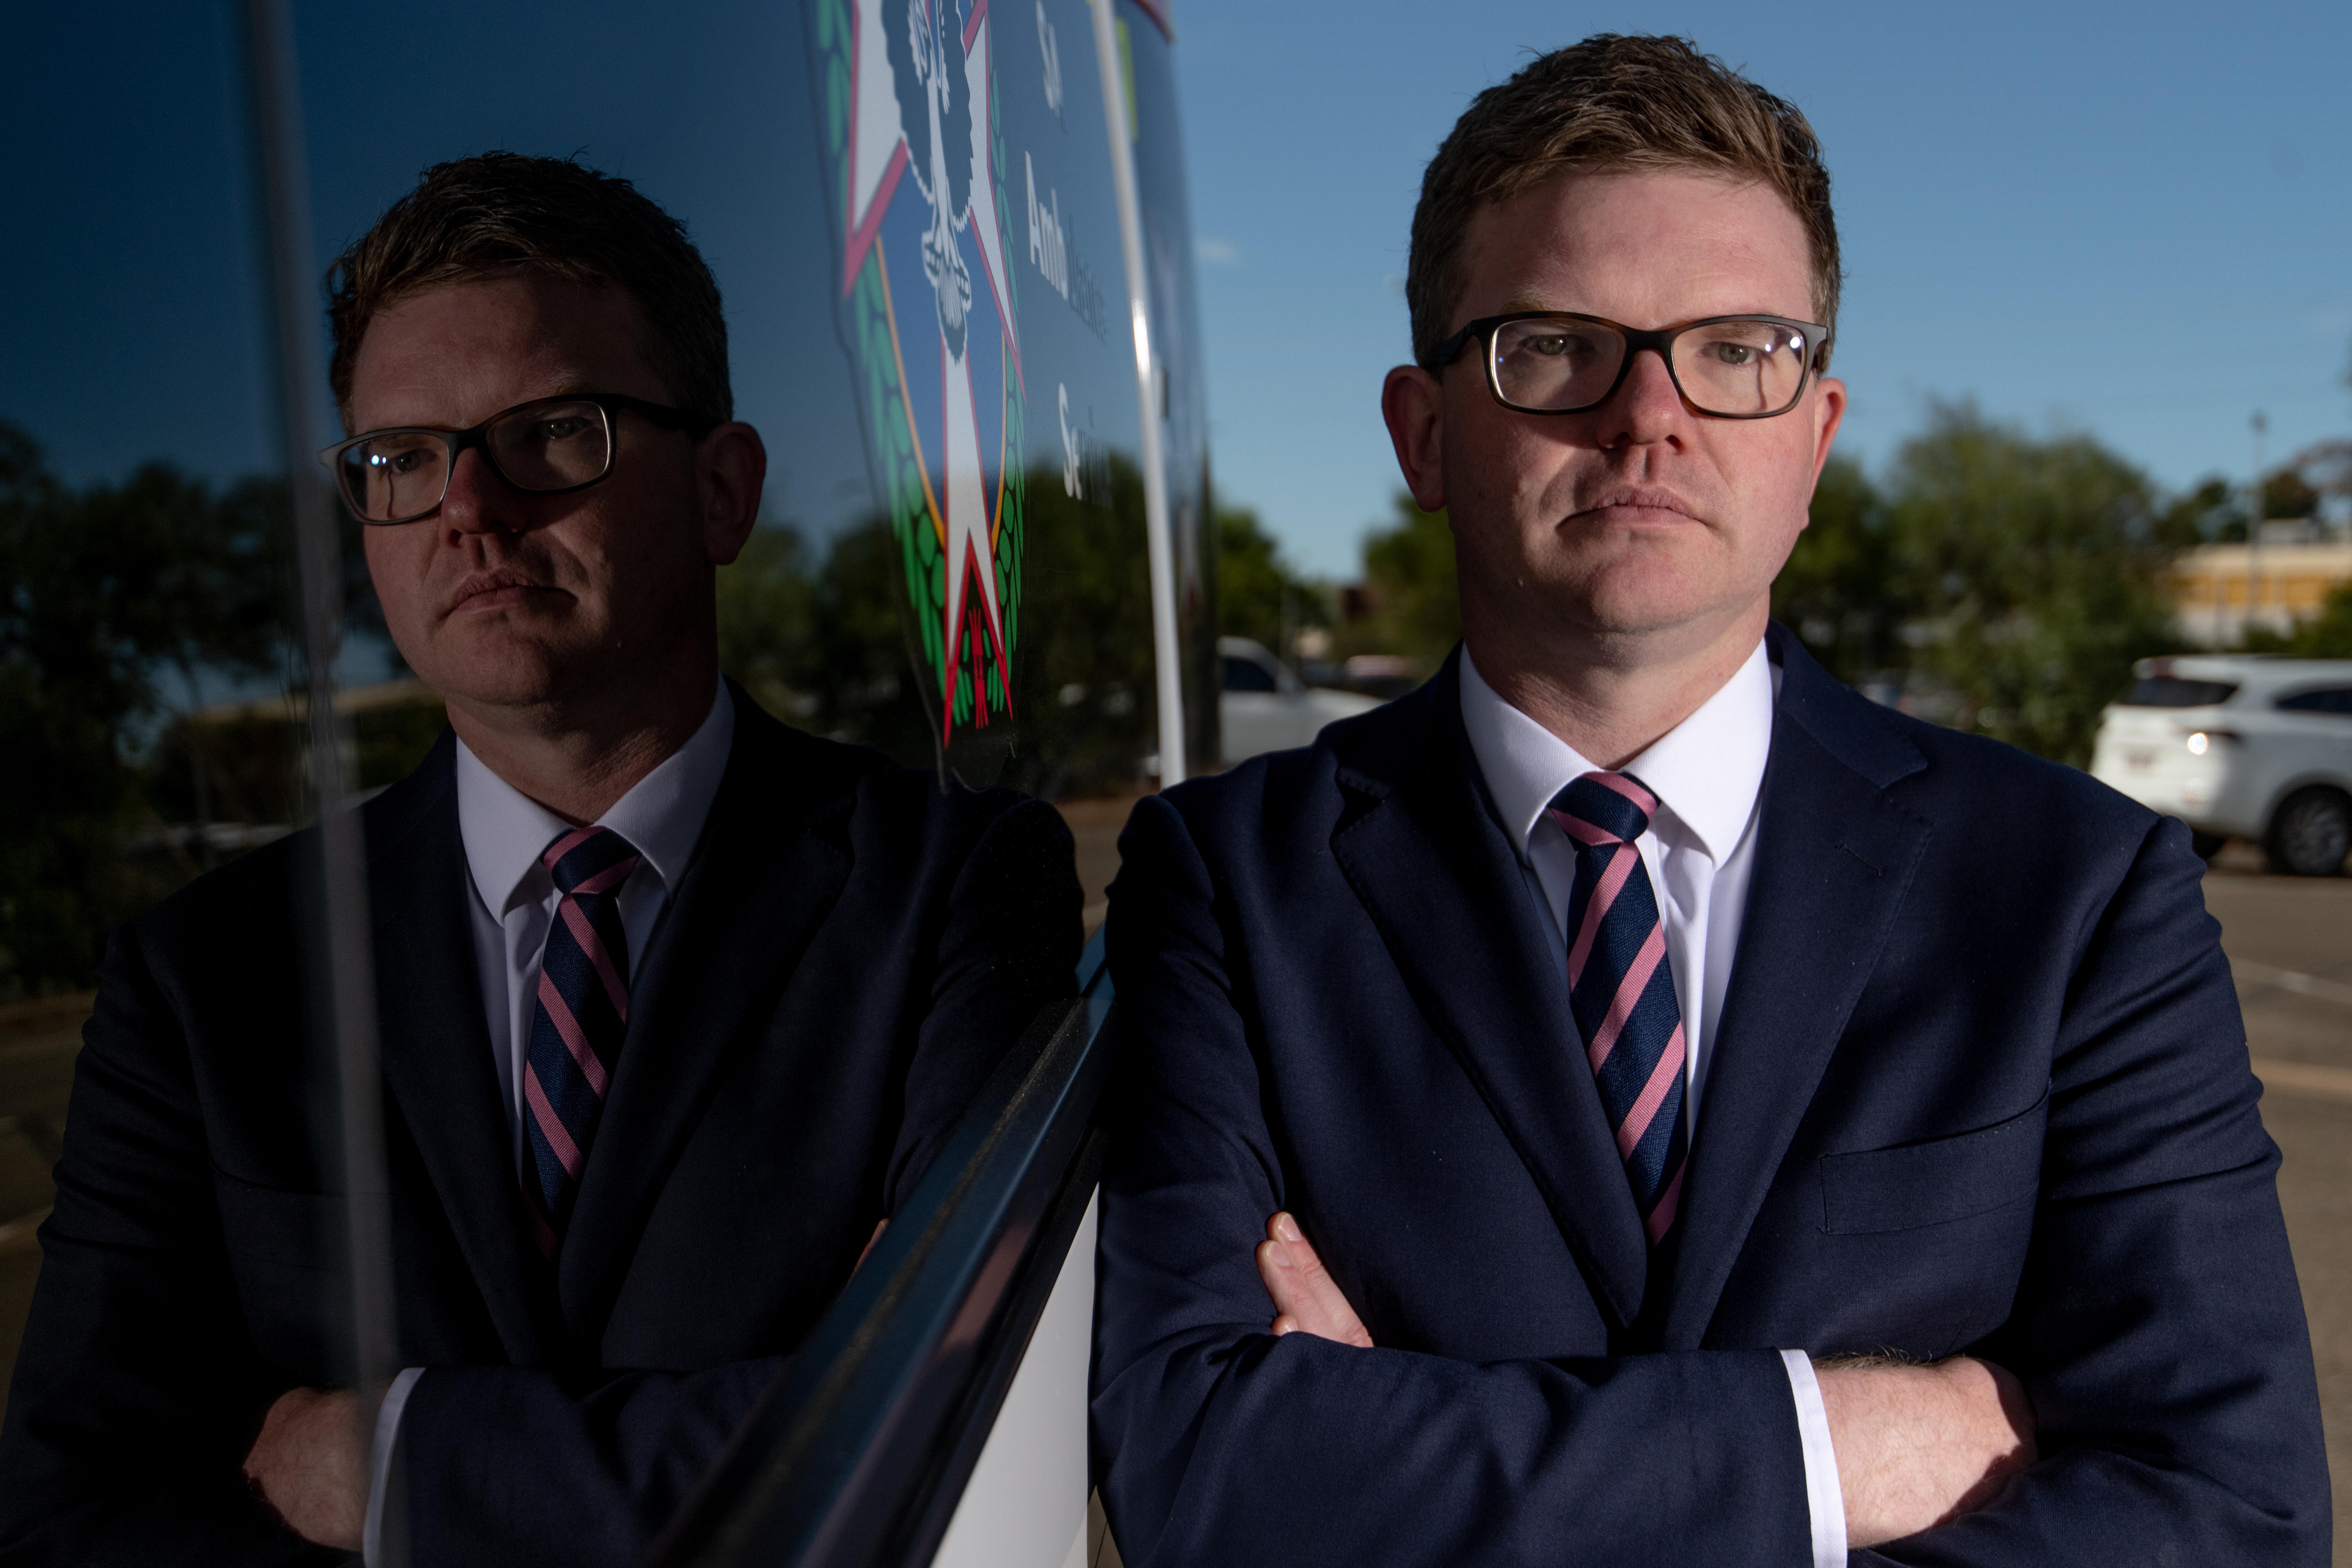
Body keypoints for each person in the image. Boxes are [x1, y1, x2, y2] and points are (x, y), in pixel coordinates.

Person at [1091, 35, 2328, 1567]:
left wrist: (1411, 1451)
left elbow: (2231, 1515)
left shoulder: (2080, 892)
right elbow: (1195, 1470)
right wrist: (1841, 1443)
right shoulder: (1228, 882)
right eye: (1553, 345)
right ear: (1422, 433)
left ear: (1815, 440)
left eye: (1739, 349)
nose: (1647, 416)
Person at [0, 153, 1080, 1564]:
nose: (471, 509)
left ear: (723, 492)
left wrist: (392, 1463)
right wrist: (768, 1406)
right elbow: (76, 1513)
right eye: (402, 460)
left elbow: (953, 1420)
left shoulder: (950, 887)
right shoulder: (207, 980)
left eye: (551, 433)